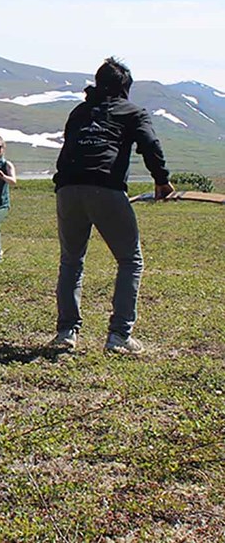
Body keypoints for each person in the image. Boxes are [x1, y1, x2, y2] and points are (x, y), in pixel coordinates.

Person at [50, 57, 174, 356]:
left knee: (71, 261)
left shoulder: (79, 112)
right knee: (130, 260)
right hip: (105, 187)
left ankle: (66, 333)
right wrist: (162, 180)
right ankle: (119, 335)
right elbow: (149, 144)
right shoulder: (132, 112)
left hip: (67, 188)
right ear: (125, 88)